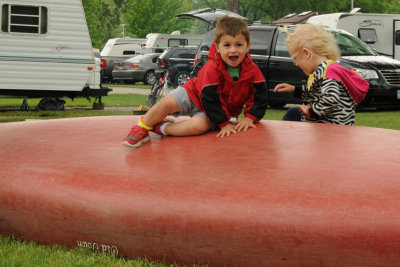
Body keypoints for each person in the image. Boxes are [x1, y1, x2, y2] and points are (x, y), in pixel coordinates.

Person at [122, 16, 268, 148]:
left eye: (239, 45)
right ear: (217, 47)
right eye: (227, 45)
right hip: (194, 93)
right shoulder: (212, 68)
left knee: (197, 127)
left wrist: (250, 117)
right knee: (167, 102)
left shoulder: (253, 71)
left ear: (248, 46)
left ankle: (160, 128)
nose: (233, 50)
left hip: (213, 110)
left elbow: (260, 97)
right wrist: (223, 123)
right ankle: (142, 126)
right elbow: (209, 97)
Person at [273, 24, 369, 125]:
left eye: (296, 59)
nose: (296, 64)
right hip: (333, 126)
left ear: (307, 54)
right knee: (293, 113)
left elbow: (331, 97)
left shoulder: (326, 72)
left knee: (292, 115)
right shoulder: (326, 69)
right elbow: (316, 93)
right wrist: (294, 89)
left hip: (332, 129)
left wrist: (311, 112)